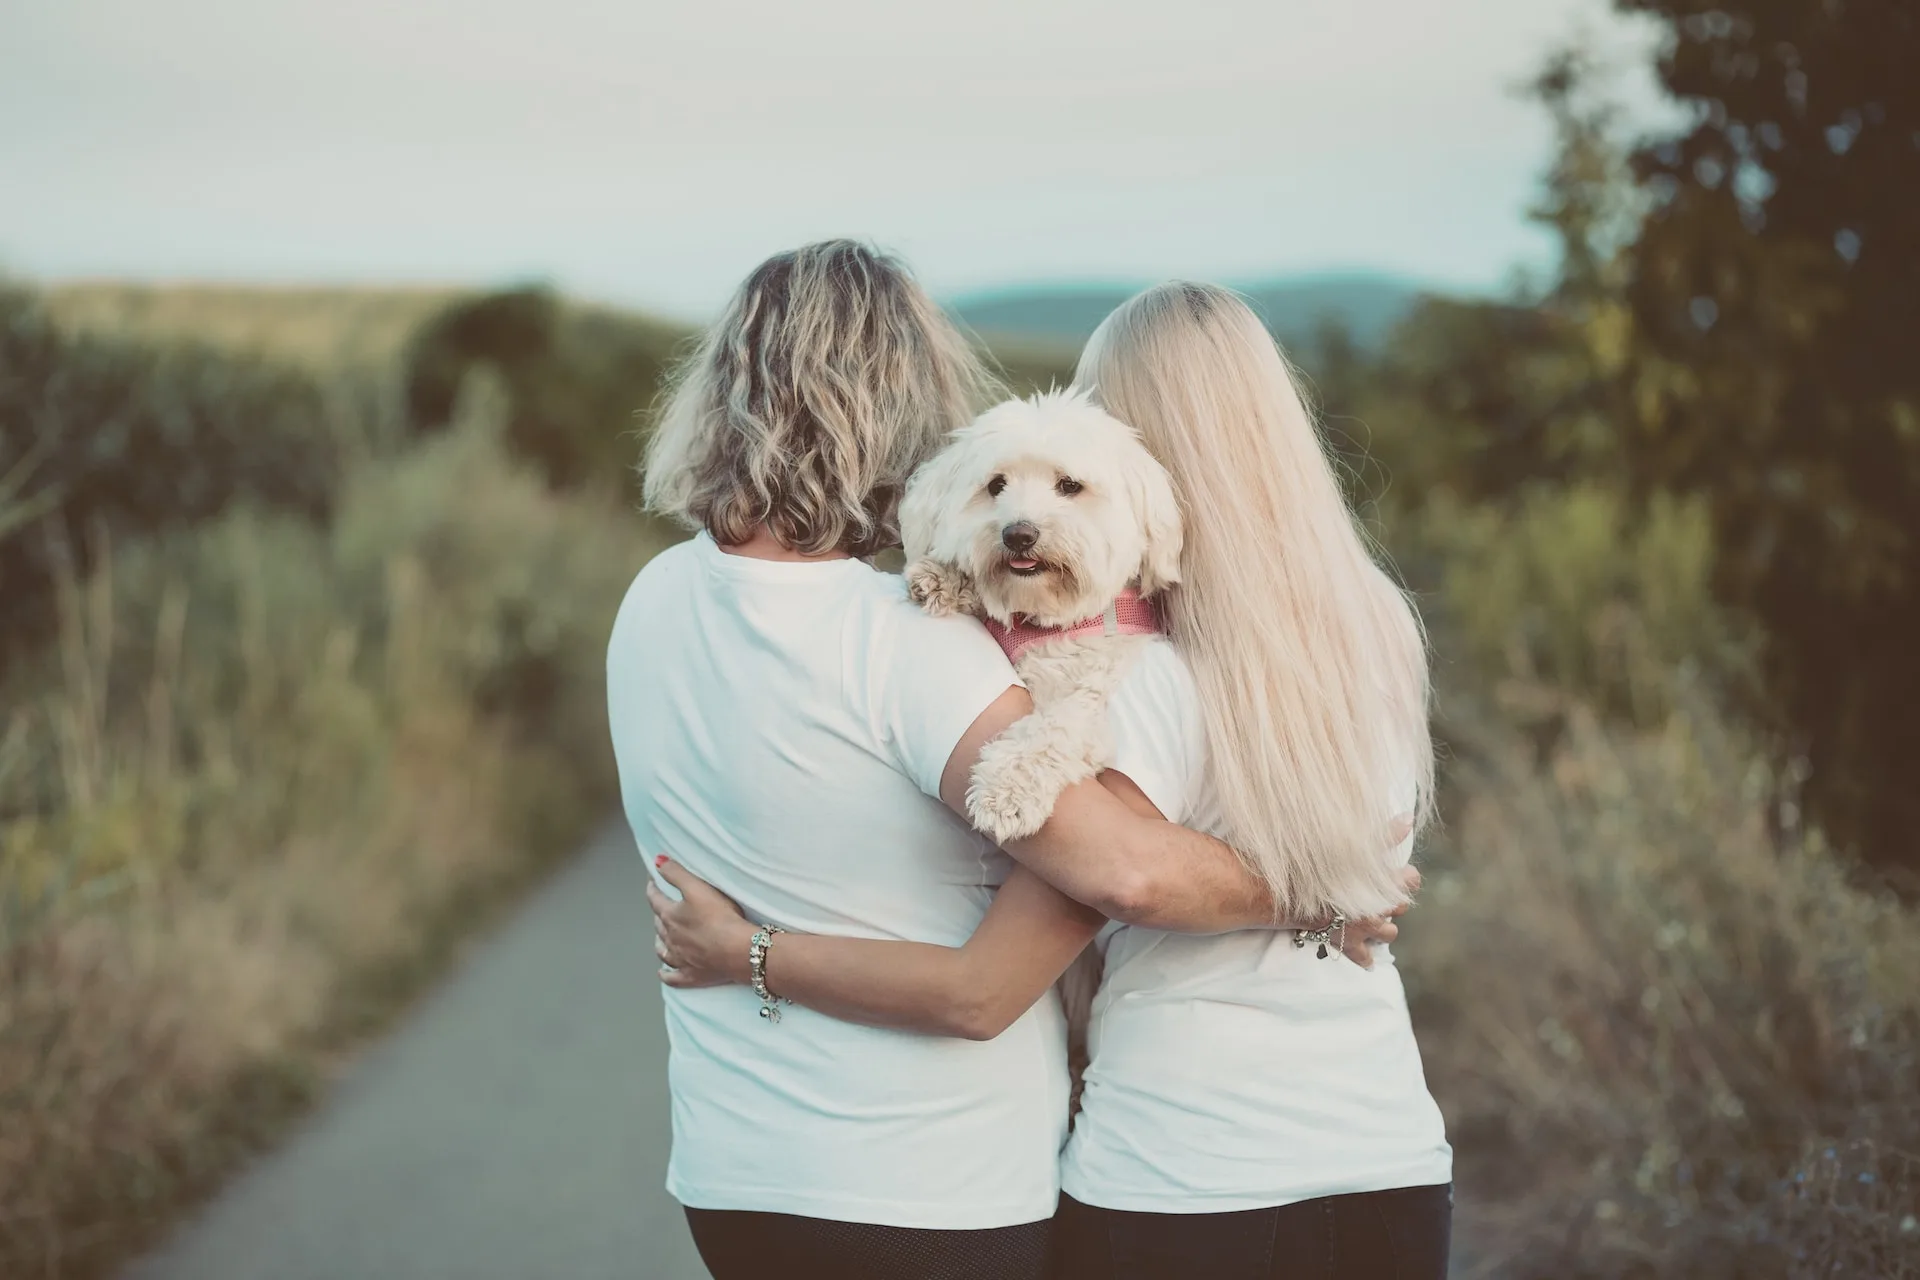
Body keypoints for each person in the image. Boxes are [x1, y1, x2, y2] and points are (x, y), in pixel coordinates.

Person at [652, 281, 1453, 1279]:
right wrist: (1334, 883)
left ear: (1141, 457)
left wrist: (752, 950)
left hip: (1185, 1169)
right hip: (1388, 1152)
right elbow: (1337, 854)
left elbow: (1046, 936)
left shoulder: (1145, 675)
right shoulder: (1376, 615)